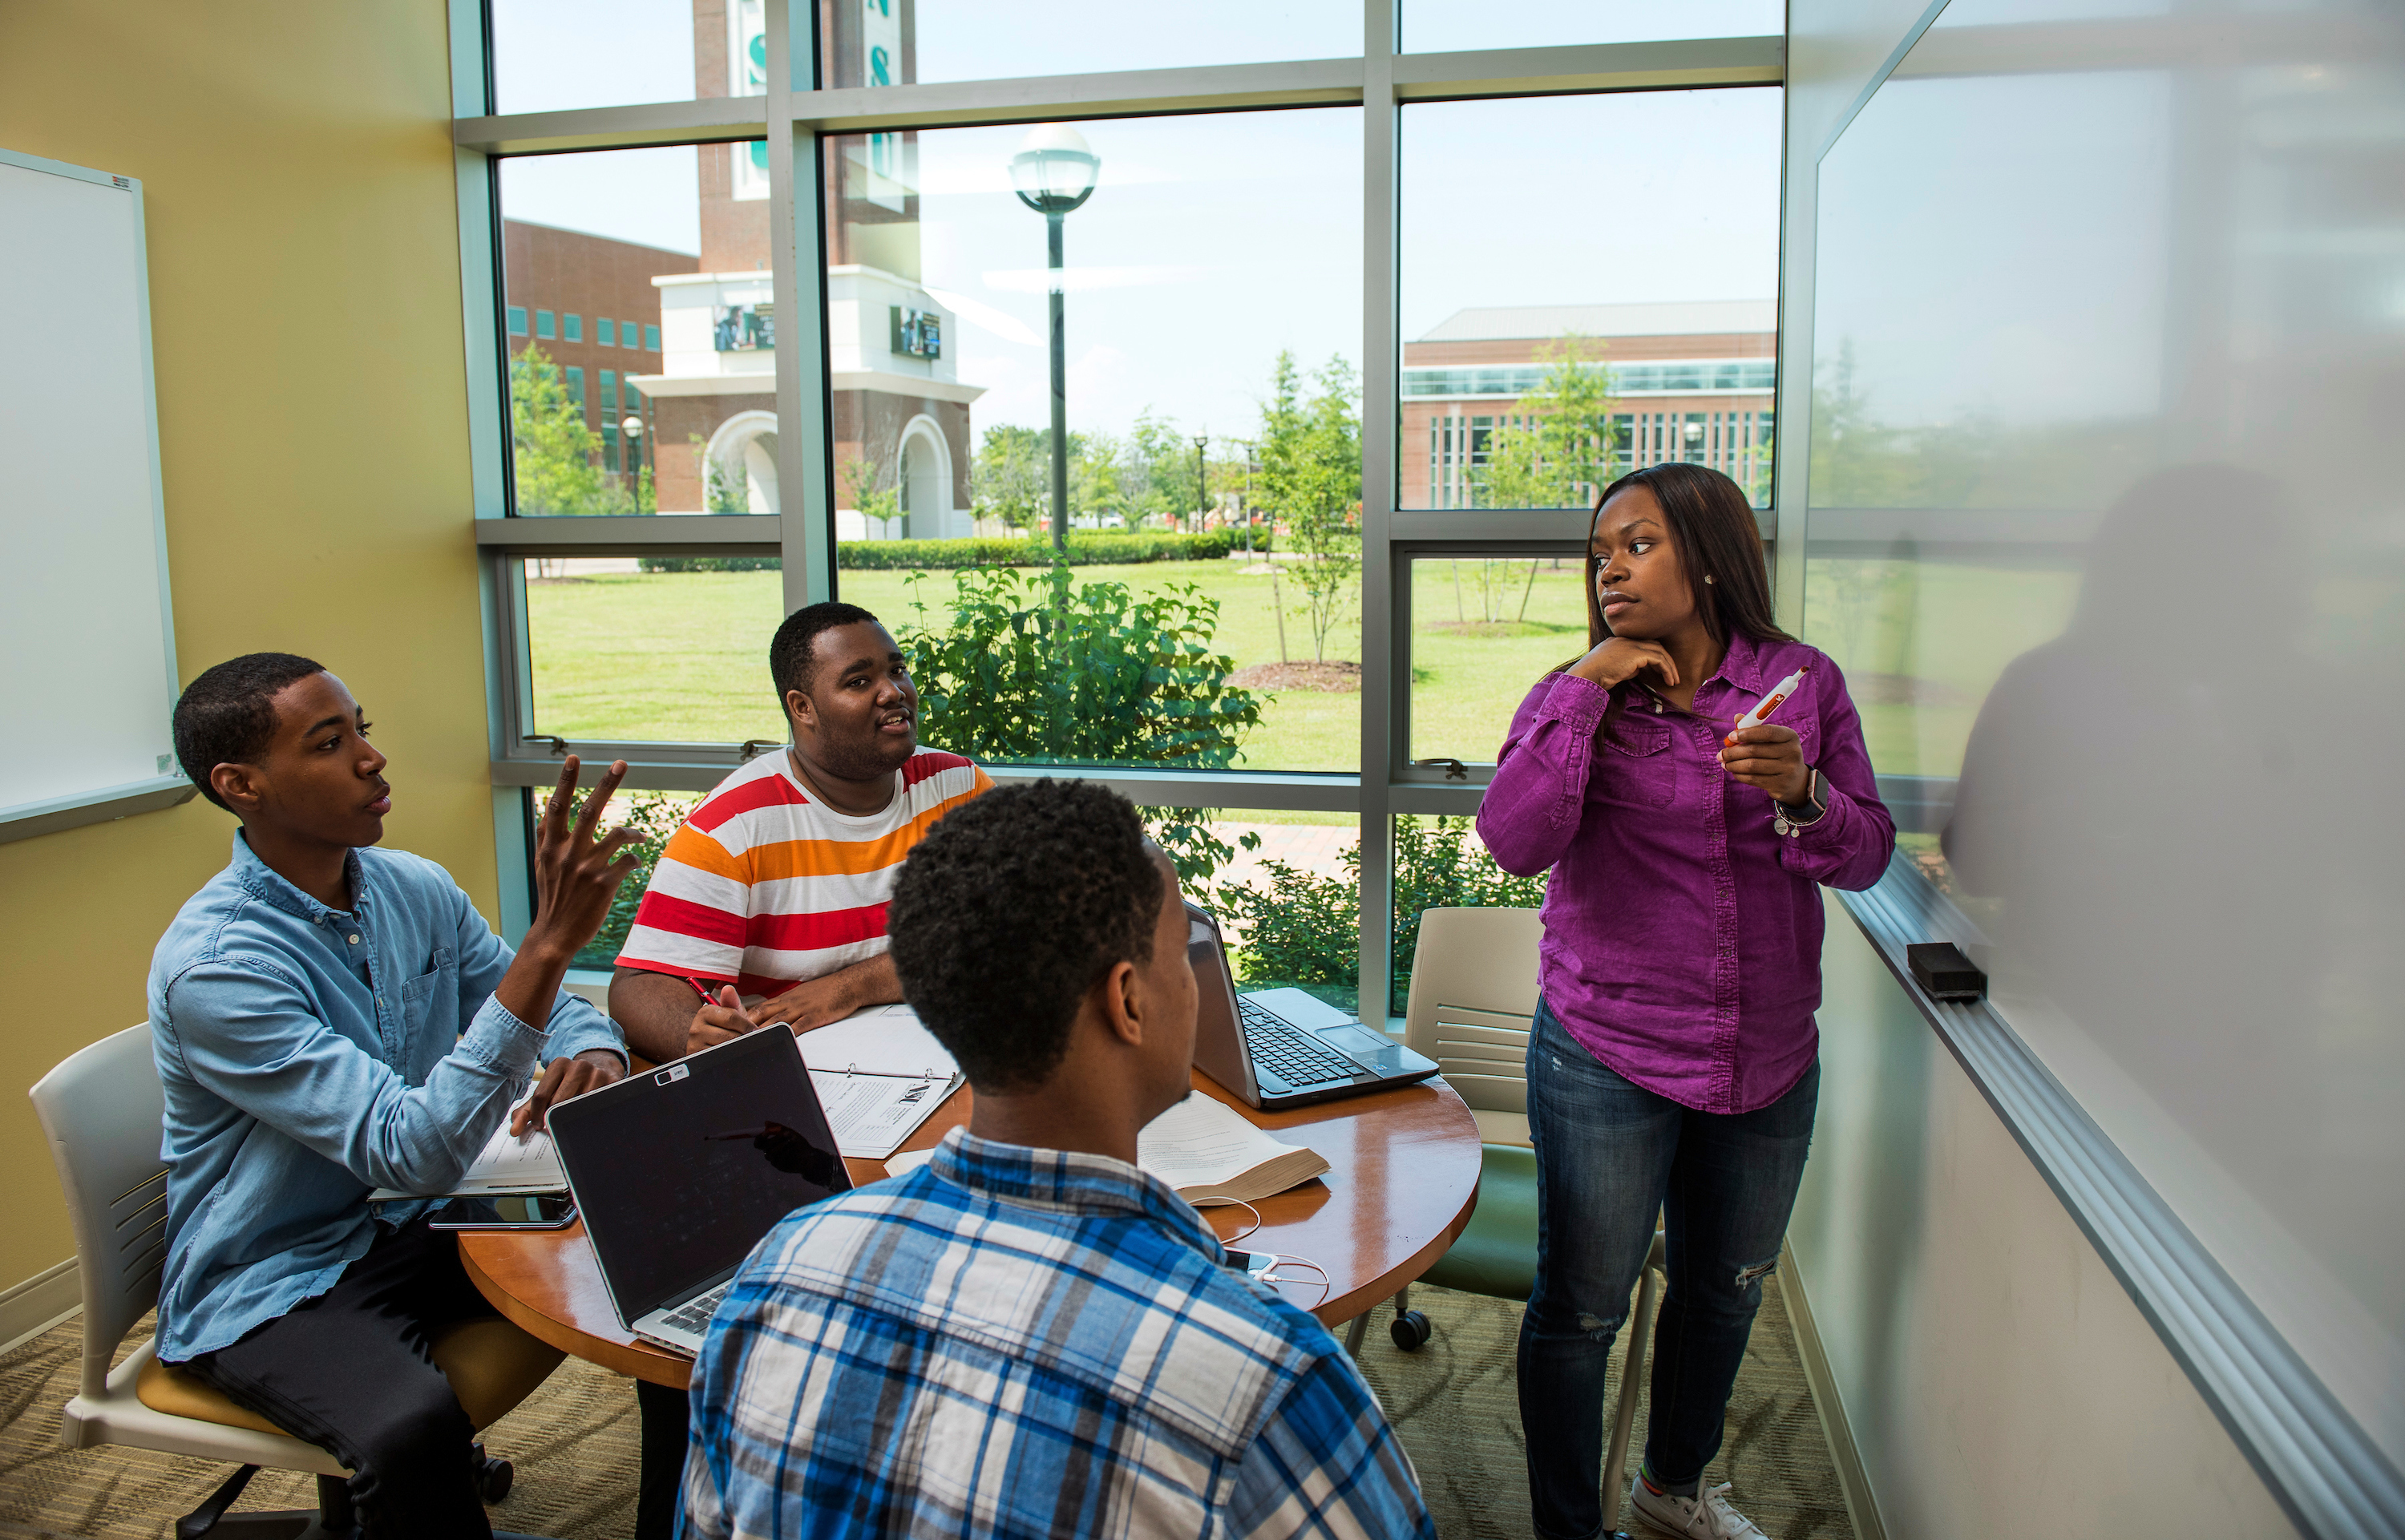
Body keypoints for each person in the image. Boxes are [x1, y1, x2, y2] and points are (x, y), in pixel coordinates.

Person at [679, 779, 1437, 1539]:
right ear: (1129, 1000)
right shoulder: (1267, 1376)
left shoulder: (778, 1272)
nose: (1199, 982)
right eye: (1184, 954)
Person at [1477, 463, 1894, 1540]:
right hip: (1604, 1048)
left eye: (1639, 542)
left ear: (1709, 555)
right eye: (1600, 550)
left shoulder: (1804, 685)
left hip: (1764, 1060)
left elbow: (1868, 854)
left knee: (1726, 1289)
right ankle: (1571, 1525)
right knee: (1580, 1307)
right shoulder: (1579, 693)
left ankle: (1671, 1491)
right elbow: (1513, 841)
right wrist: (1588, 684)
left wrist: (1805, 793)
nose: (1610, 565)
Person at [149, 653, 645, 1538]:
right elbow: (409, 1146)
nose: (372, 759)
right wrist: (545, 949)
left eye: (362, 730)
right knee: (413, 1426)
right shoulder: (220, 967)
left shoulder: (412, 887)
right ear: (241, 784)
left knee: (658, 1254)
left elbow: (551, 1017)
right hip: (276, 1275)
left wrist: (597, 1052)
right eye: (330, 742)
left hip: (412, 1219)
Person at [608, 600, 990, 1063]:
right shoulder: (735, 823)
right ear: (802, 707)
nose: (893, 692)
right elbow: (638, 988)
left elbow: (1003, 931)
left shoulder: (957, 785)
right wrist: (692, 1034)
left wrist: (850, 987)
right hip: (804, 1073)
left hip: (945, 1057)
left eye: (897, 669)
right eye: (859, 681)